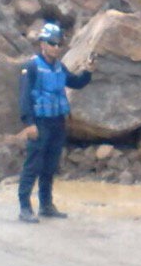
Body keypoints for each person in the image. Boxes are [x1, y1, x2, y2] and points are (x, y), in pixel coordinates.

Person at [16, 22, 94, 223]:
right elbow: (25, 97)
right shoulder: (31, 66)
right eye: (52, 43)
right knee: (33, 165)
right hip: (40, 122)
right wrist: (29, 123)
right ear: (43, 43)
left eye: (59, 44)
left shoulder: (60, 67)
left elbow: (76, 83)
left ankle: (46, 205)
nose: (56, 47)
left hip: (57, 122)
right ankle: (24, 207)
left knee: (50, 165)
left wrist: (88, 71)